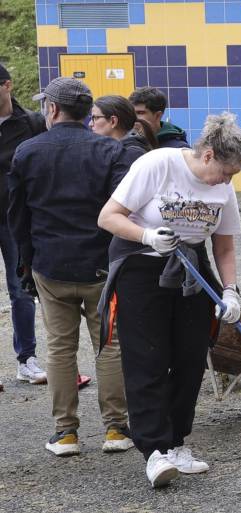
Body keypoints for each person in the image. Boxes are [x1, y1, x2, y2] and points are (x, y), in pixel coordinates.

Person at [97, 112, 241, 489]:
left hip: (191, 271)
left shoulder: (224, 188)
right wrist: (147, 235)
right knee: (147, 359)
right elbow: (108, 217)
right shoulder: (158, 164)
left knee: (189, 358)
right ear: (208, 156)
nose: (228, 181)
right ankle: (154, 451)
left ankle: (177, 442)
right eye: (226, 172)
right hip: (142, 268)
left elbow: (224, 246)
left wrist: (230, 290)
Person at [9, 77, 132, 456]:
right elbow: (124, 209)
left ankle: (66, 433)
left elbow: (17, 217)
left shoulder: (28, 151)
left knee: (60, 348)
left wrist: (27, 263)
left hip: (50, 264)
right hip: (101, 264)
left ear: (52, 109)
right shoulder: (110, 150)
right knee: (109, 344)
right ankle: (116, 430)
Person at [0, 64, 48, 385]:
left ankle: (26, 359)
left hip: (16, 219)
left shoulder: (32, 123)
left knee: (21, 289)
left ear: (7, 85)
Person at [91, 94, 157, 162]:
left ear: (113, 121)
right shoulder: (121, 151)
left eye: (95, 118)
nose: (90, 124)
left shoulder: (130, 154)